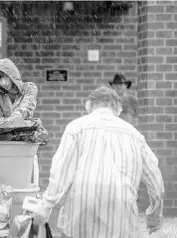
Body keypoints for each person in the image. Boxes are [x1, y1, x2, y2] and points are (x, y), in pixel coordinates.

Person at [33, 86, 164, 238]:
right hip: (121, 212)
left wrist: (46, 207)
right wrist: (154, 216)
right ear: (117, 108)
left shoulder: (76, 128)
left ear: (89, 105)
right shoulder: (135, 135)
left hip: (81, 209)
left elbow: (61, 173)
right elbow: (155, 181)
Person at [0, 58, 40, 186]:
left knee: (25, 183)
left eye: (6, 77)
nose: (3, 82)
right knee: (4, 183)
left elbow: (25, 109)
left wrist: (9, 122)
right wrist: (7, 124)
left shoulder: (29, 88)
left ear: (13, 75)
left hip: (24, 143)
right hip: (4, 144)